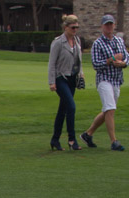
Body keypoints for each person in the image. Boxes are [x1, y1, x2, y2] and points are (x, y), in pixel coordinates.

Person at [80, 14, 129, 151]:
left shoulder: (119, 41)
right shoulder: (98, 44)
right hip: (104, 80)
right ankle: (114, 141)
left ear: (114, 25)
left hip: (117, 80)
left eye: (111, 24)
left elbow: (127, 56)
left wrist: (123, 63)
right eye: (106, 24)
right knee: (110, 109)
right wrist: (112, 59)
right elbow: (96, 64)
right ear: (102, 26)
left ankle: (87, 134)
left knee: (108, 110)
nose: (109, 27)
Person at [47, 15, 84, 151]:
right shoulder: (58, 42)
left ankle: (55, 139)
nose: (75, 30)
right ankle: (72, 139)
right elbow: (51, 63)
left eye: (77, 27)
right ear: (65, 27)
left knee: (62, 110)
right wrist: (51, 82)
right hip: (60, 78)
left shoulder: (77, 41)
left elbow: (78, 59)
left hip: (72, 78)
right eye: (73, 27)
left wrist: (81, 73)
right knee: (71, 107)